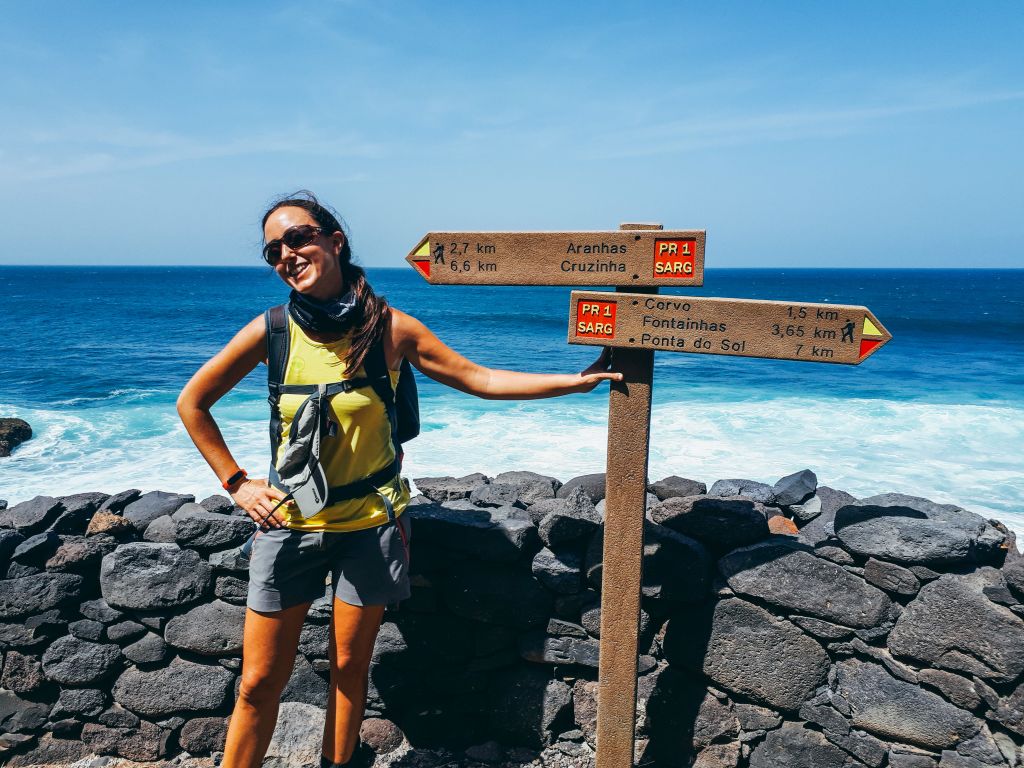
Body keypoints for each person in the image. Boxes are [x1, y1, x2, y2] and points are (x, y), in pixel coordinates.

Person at [176, 191, 622, 768]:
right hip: (289, 523)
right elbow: (193, 403)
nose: (287, 253)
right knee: (259, 682)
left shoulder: (390, 329)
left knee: (349, 671)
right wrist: (237, 484)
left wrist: (571, 382)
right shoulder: (274, 331)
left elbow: (478, 378)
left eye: (299, 237)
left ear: (335, 241)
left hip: (372, 524)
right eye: (272, 250)